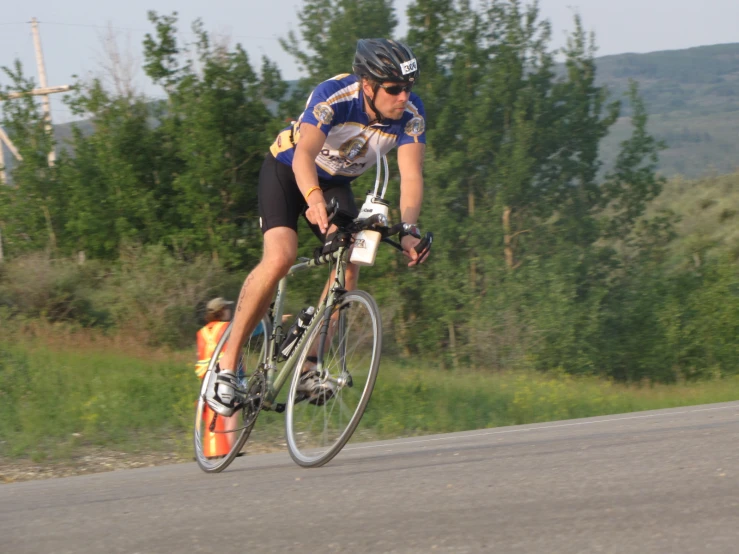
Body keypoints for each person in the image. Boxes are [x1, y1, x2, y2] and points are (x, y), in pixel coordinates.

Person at [206, 38, 430, 416]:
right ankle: (226, 369)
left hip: (334, 183)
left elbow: (411, 175)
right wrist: (311, 200)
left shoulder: (411, 113)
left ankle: (308, 365)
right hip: (289, 170)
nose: (403, 96)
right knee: (280, 256)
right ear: (368, 85)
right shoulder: (335, 97)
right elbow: (305, 156)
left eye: (409, 87)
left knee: (351, 259)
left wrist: (408, 227)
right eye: (394, 88)